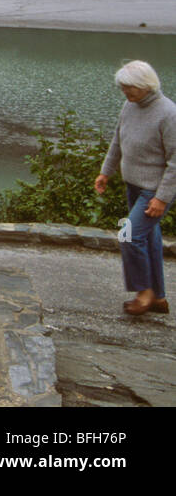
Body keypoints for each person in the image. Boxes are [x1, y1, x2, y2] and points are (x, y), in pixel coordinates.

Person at [95, 60, 175, 316]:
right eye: (123, 88)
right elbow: (118, 140)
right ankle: (159, 298)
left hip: (154, 190)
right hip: (133, 186)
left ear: (146, 85)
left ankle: (144, 292)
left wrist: (162, 198)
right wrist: (106, 171)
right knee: (149, 240)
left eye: (130, 88)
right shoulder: (129, 106)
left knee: (128, 236)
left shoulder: (168, 113)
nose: (126, 93)